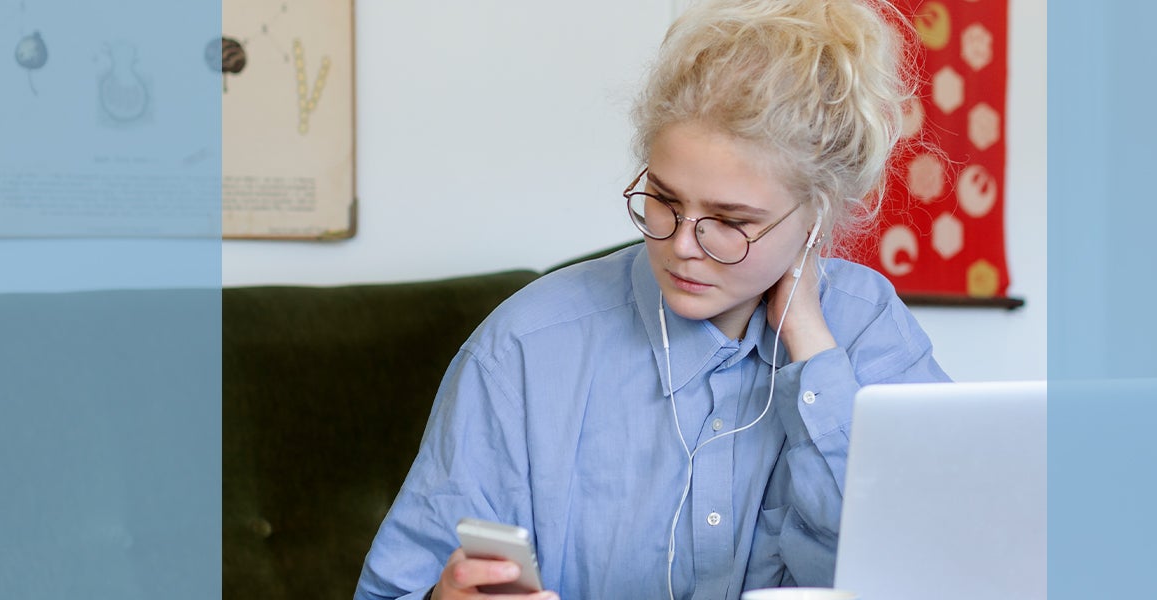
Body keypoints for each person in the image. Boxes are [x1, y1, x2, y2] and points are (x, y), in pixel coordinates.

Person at [355, 0, 949, 598]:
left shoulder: (867, 327)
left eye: (730, 220)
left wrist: (811, 343)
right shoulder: (523, 350)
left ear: (816, 214)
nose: (682, 245)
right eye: (664, 199)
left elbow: (938, 560)